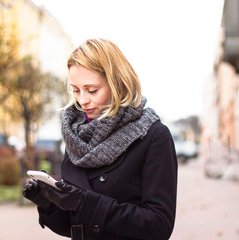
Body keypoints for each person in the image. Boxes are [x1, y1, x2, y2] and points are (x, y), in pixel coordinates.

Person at [23, 38, 178, 240]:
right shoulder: (75, 136)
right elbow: (72, 227)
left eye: (92, 90)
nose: (83, 100)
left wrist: (86, 203)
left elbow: (159, 226)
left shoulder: (153, 136)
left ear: (117, 84)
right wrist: (49, 203)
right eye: (76, 90)